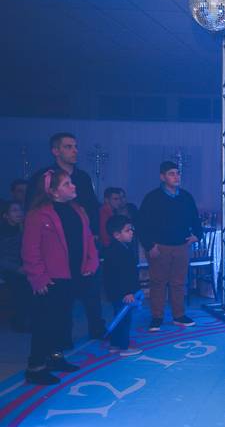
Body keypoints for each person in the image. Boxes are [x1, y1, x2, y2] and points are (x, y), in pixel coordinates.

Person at [22, 169, 99, 385]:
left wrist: (91, 262)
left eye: (71, 182)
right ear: (53, 192)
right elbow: (30, 249)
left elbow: (88, 240)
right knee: (45, 322)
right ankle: (36, 366)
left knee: (63, 320)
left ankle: (55, 357)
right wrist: (38, 277)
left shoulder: (78, 210)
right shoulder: (38, 215)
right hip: (51, 279)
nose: (73, 186)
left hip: (72, 275)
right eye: (67, 184)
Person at [137, 161, 202, 332]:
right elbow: (142, 224)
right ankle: (157, 317)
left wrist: (197, 235)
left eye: (177, 173)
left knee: (178, 283)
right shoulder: (152, 198)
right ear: (162, 177)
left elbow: (195, 218)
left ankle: (179, 315)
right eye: (171, 174)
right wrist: (149, 246)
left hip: (181, 246)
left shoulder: (186, 197)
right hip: (159, 247)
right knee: (158, 283)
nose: (176, 176)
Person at [27, 133, 100, 236]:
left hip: (80, 231)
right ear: (56, 151)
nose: (75, 151)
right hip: (52, 232)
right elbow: (33, 206)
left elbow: (92, 206)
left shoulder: (83, 177)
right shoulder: (44, 176)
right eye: (68, 147)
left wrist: (94, 231)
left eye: (75, 147)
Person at [102, 215, 142, 356]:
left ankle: (115, 344)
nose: (131, 232)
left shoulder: (122, 248)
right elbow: (119, 274)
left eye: (131, 229)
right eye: (127, 230)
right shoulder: (117, 251)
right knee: (124, 319)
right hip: (122, 292)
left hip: (119, 292)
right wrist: (127, 292)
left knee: (118, 317)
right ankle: (123, 346)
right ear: (116, 235)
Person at [1, 200, 31, 332]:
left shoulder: (24, 228)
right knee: (21, 285)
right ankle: (19, 321)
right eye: (14, 210)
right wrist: (17, 268)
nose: (19, 213)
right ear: (6, 215)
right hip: (7, 267)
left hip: (23, 265)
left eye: (20, 210)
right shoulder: (3, 232)